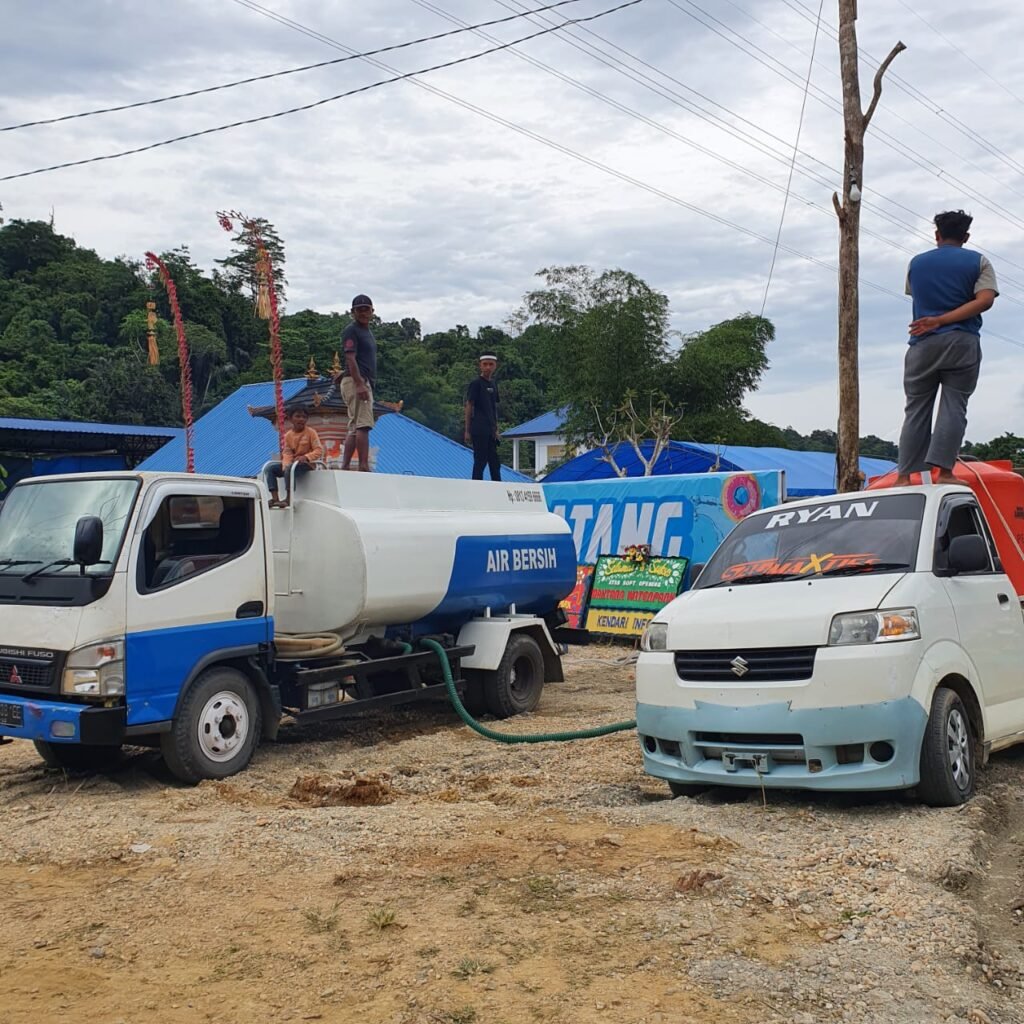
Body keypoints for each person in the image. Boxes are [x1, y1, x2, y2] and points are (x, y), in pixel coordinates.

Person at [895, 210, 998, 486]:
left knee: (916, 409)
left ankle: (904, 477)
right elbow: (985, 300)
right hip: (962, 341)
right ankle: (945, 473)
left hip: (921, 343)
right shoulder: (979, 262)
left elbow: (917, 294)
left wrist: (933, 320)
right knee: (954, 405)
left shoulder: (916, 264)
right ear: (966, 237)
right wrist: (943, 320)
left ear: (937, 235)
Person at [338, 294, 378, 472]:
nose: (363, 313)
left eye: (366, 309)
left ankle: (345, 466)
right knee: (363, 425)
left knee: (355, 425)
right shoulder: (352, 330)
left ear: (372, 311)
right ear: (352, 312)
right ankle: (363, 465)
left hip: (360, 379)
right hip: (358, 381)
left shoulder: (366, 331)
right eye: (359, 310)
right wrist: (359, 383)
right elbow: (350, 357)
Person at [265, 406, 323, 508]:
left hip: (306, 464)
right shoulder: (288, 435)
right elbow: (287, 453)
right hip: (293, 464)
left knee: (289, 468)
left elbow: (318, 450)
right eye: (298, 416)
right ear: (291, 419)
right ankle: (275, 498)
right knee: (270, 469)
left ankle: (288, 499)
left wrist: (306, 457)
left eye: (304, 417)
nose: (301, 419)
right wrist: (285, 465)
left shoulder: (311, 432)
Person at [464, 354, 501, 481]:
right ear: (480, 365)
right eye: (485, 364)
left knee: (495, 462)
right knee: (480, 461)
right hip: (479, 428)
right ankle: (476, 488)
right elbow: (469, 405)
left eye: (491, 364)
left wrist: (496, 428)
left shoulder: (493, 384)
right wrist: (467, 430)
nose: (488, 367)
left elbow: (493, 407)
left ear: (495, 366)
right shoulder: (476, 384)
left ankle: (498, 489)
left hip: (490, 430)